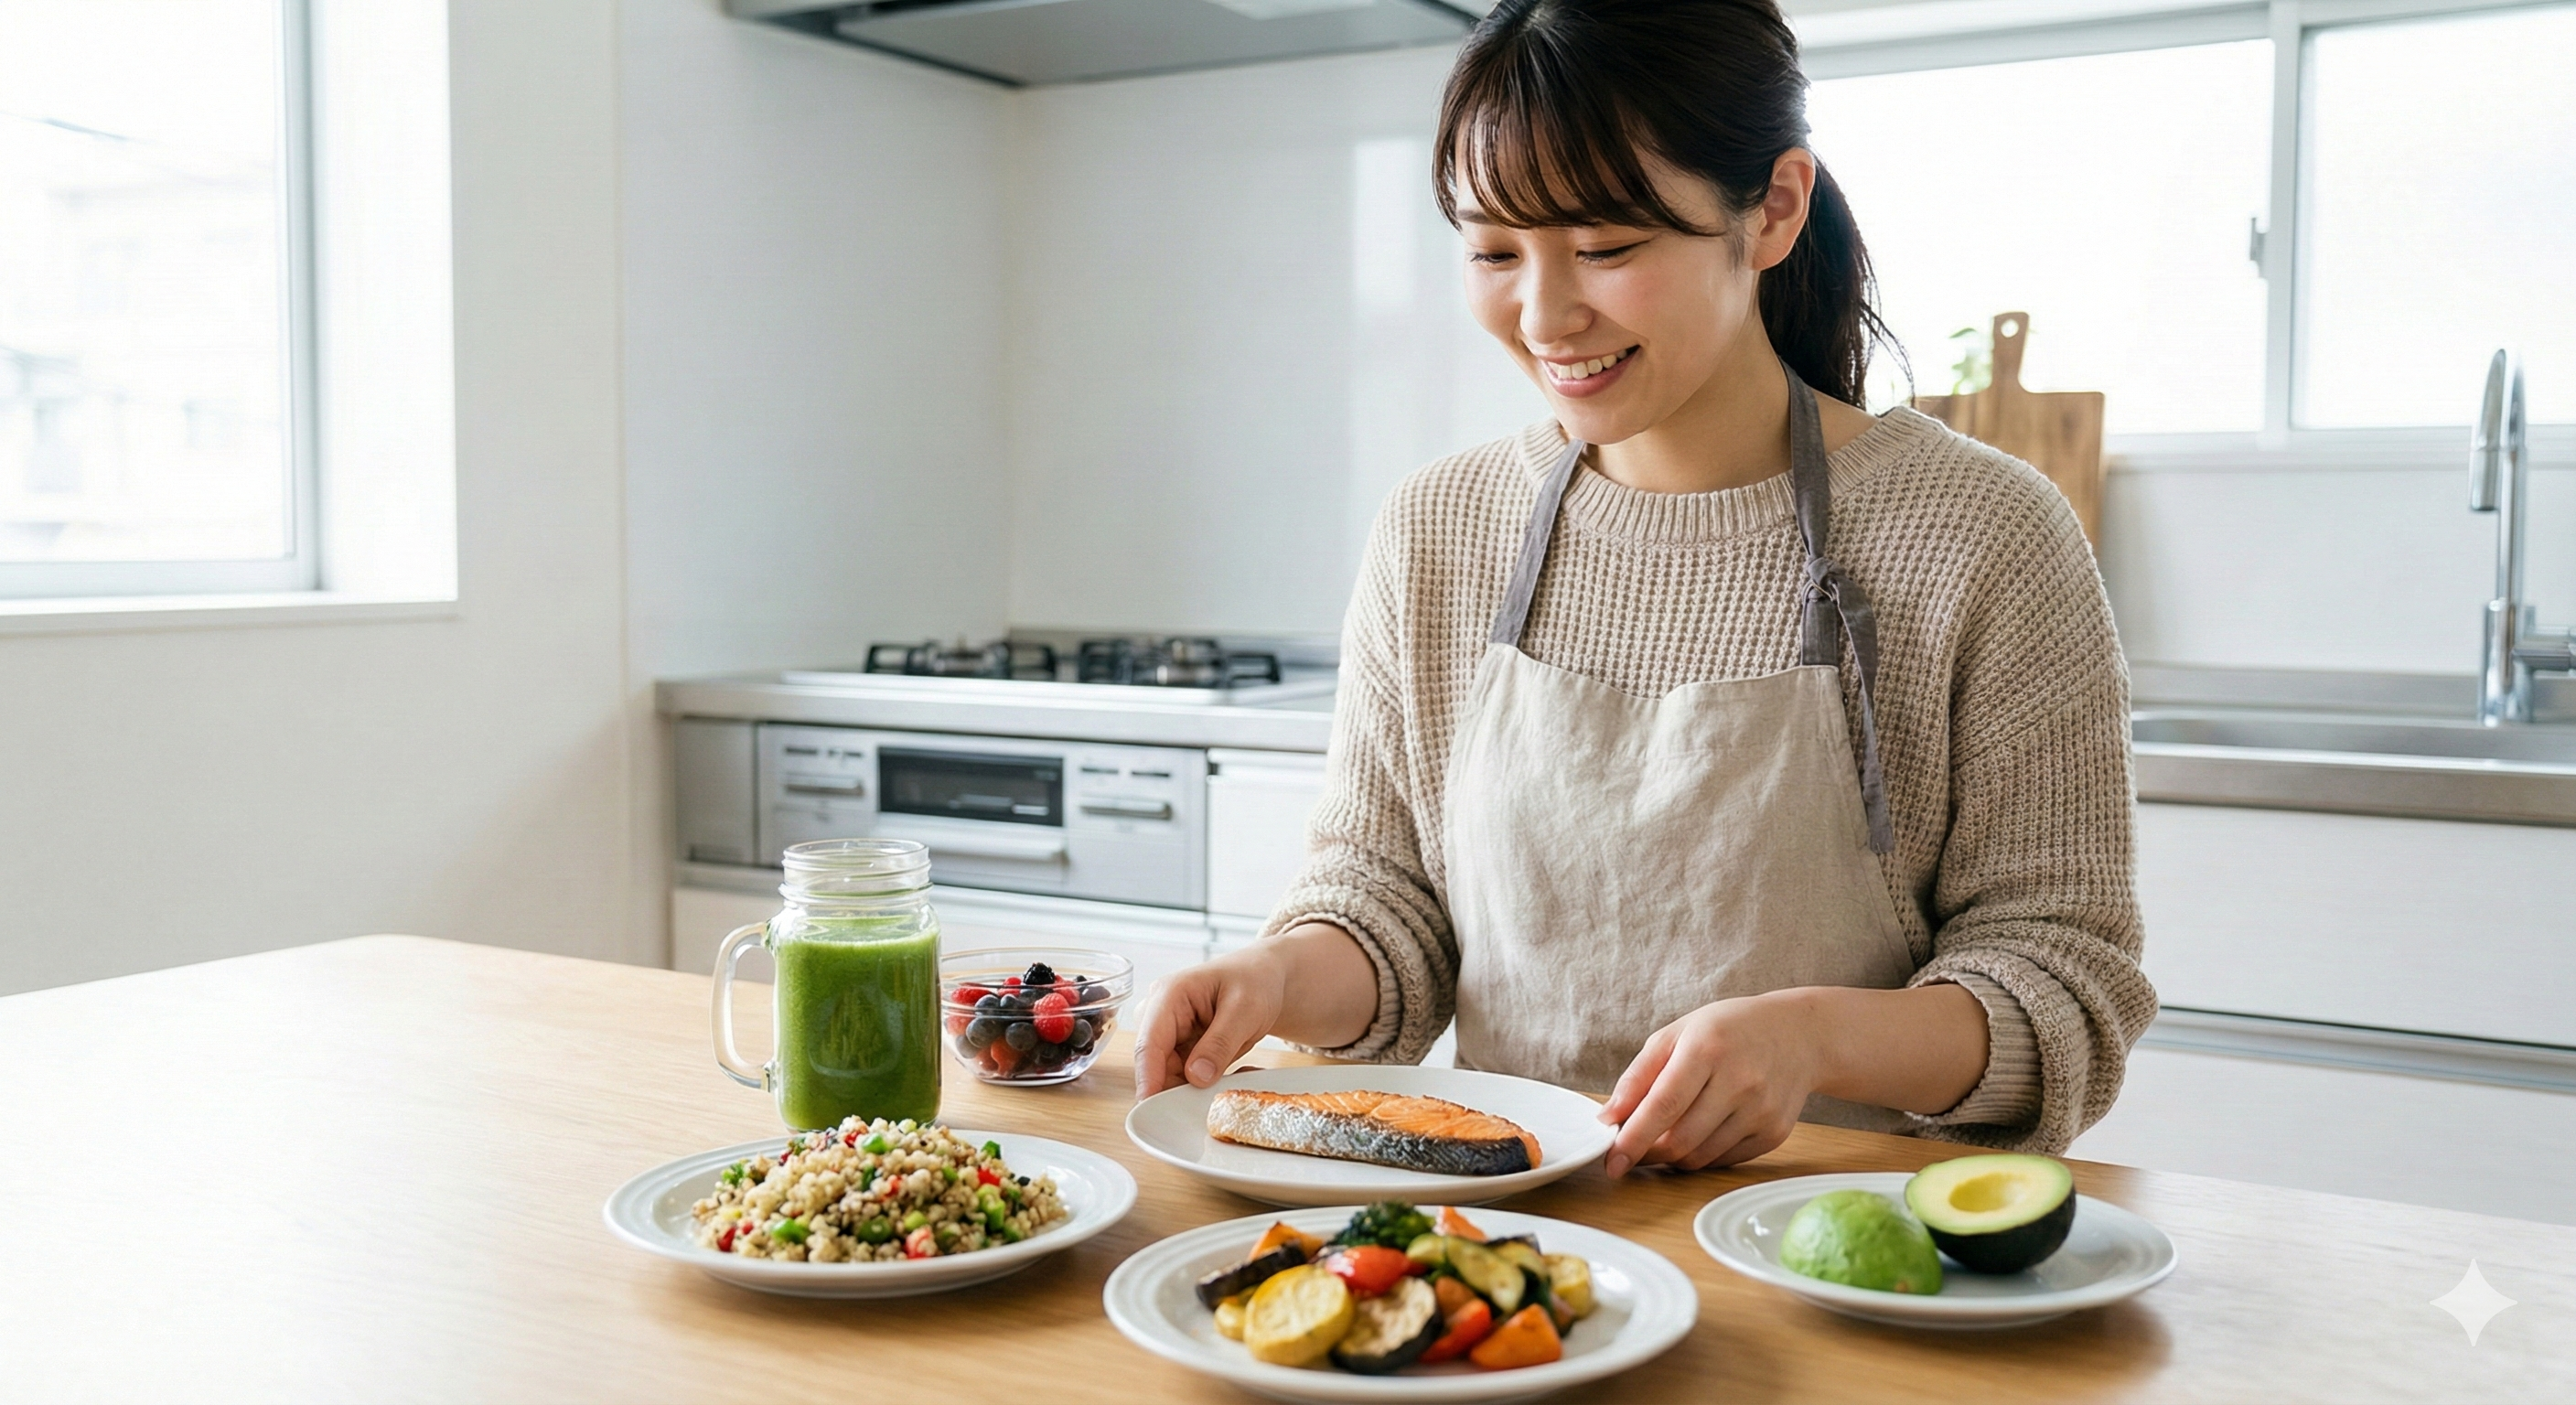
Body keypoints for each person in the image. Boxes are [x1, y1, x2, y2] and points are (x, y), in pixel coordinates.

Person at [1134, 0, 2152, 1177]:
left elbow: (2061, 976)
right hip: (1506, 1249)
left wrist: (1813, 1040)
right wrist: (1277, 975)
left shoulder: (1982, 534)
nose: (1543, 315)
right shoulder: (1440, 529)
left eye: (1607, 249)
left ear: (1771, 210)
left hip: (1833, 1257)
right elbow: (1386, 901)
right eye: (1493, 252)